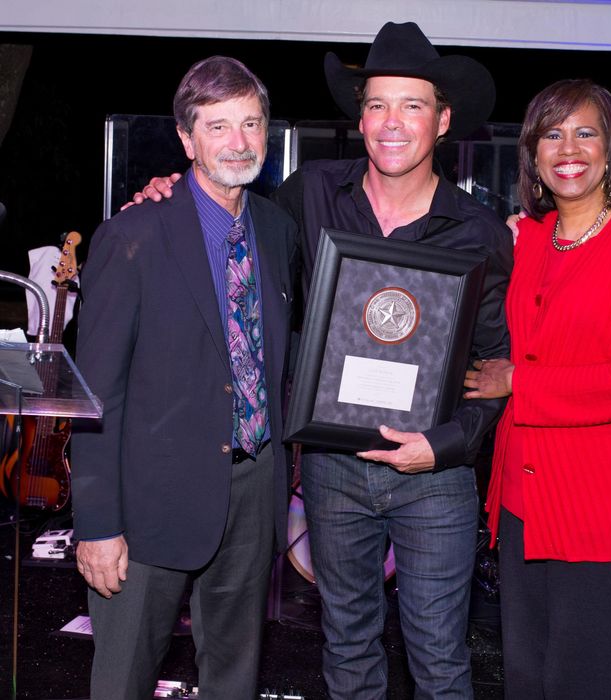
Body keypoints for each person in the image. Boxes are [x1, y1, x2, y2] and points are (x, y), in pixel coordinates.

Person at [126, 22, 511, 699]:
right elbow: (229, 222)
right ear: (360, 118)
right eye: (377, 104)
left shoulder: (479, 231)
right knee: (347, 648)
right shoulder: (308, 195)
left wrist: (445, 444)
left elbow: (494, 366)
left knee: (441, 662)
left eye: (413, 105)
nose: (392, 123)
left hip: (434, 476)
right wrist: (172, 194)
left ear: (443, 120)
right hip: (333, 471)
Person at [71, 57, 299, 698]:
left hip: (252, 493)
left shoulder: (278, 230)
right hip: (148, 505)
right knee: (122, 682)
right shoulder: (133, 234)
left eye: (250, 123)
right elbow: (96, 397)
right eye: (218, 126)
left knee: (234, 681)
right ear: (186, 138)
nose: (238, 141)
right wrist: (97, 524)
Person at [464, 79, 611, 699]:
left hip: (603, 511)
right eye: (552, 135)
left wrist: (519, 381)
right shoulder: (526, 239)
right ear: (532, 156)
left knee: (587, 686)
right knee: (526, 682)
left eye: (586, 133)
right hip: (522, 504)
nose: (569, 149)